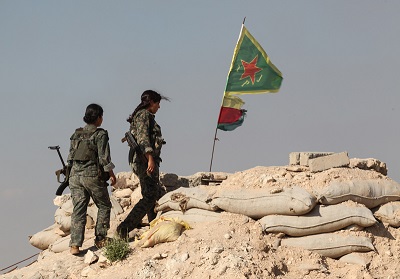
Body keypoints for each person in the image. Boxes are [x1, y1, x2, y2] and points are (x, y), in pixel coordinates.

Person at [117, 90, 169, 239]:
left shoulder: (141, 115)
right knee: (149, 196)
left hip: (144, 159)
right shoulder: (144, 115)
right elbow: (143, 139)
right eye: (158, 103)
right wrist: (150, 158)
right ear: (151, 102)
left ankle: (153, 225)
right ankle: (123, 229)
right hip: (143, 160)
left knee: (152, 193)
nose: (159, 107)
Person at [67, 103, 116, 255]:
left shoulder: (76, 134)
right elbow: (103, 158)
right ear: (99, 117)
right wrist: (112, 174)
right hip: (91, 175)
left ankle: (74, 245)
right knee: (104, 205)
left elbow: (70, 157)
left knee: (79, 209)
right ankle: (101, 238)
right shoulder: (100, 134)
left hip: (74, 176)